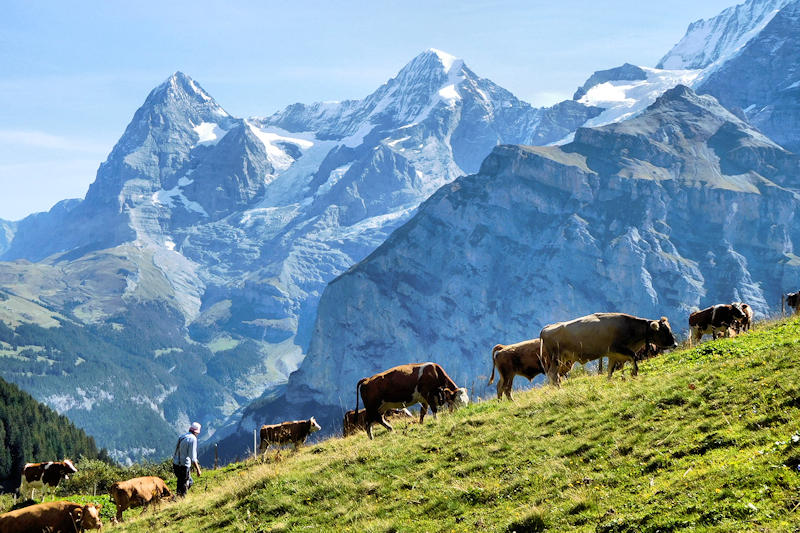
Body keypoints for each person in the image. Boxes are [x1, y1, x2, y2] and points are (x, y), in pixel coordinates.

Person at [172, 422, 202, 497]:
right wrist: (198, 470)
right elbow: (193, 457)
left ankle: (178, 496)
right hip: (184, 465)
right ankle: (181, 498)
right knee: (186, 483)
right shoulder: (193, 439)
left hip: (176, 464)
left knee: (181, 481)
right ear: (196, 432)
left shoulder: (182, 436)